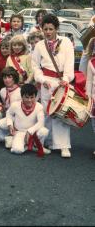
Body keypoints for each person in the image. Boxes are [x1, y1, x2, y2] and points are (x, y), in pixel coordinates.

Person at [31, 13, 75, 158]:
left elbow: (70, 62)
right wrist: (42, 80)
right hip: (47, 83)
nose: (48, 32)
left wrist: (67, 78)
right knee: (47, 112)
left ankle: (63, 146)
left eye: (51, 29)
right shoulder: (39, 45)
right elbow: (35, 66)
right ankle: (47, 141)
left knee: (61, 113)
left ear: (56, 28)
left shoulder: (66, 42)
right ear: (42, 29)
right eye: (45, 29)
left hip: (62, 82)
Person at [6, 84, 50, 155]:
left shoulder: (39, 107)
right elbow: (9, 113)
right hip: (19, 132)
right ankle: (30, 146)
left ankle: (38, 145)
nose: (29, 100)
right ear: (22, 96)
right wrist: (10, 124)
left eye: (32, 97)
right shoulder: (15, 105)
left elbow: (41, 123)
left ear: (35, 97)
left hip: (32, 133)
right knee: (17, 150)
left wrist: (30, 131)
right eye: (26, 97)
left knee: (44, 131)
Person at [0, 67, 22, 143]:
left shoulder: (20, 92)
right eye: (5, 77)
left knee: (0, 124)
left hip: (18, 118)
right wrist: (0, 108)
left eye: (9, 77)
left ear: (14, 78)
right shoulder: (2, 91)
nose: (7, 80)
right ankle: (11, 134)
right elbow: (6, 106)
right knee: (0, 138)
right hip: (8, 116)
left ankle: (18, 133)